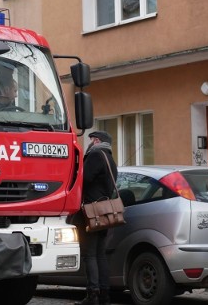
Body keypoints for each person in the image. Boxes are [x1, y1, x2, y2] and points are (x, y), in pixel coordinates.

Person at [75, 130, 118, 305]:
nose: (89, 142)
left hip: (92, 210)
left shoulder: (95, 155)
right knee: (100, 254)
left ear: (97, 140)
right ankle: (104, 295)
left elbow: (83, 179)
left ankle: (93, 294)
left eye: (91, 139)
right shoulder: (110, 158)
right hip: (106, 211)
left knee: (90, 254)